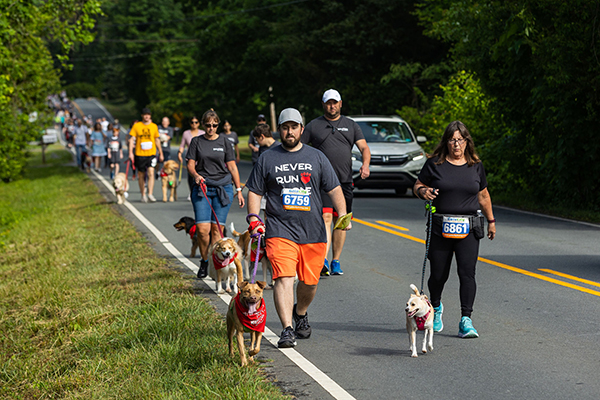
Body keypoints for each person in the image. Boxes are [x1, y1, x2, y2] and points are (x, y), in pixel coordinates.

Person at [246, 108, 351, 348]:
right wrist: (253, 217)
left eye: (294, 127)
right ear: (279, 130)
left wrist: (343, 216)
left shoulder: (317, 157)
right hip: (279, 229)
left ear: (302, 130)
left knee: (310, 283)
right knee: (283, 277)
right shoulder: (267, 158)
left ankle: (300, 312)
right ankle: (286, 329)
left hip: (312, 232)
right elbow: (255, 191)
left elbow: (334, 188)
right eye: (285, 127)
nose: (289, 131)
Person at [413, 120, 496, 339]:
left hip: (468, 228)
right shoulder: (435, 164)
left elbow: (483, 195)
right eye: (452, 140)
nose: (456, 144)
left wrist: (491, 221)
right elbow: (418, 185)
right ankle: (437, 307)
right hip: (440, 226)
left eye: (460, 140)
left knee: (467, 273)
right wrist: (424, 192)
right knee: (439, 274)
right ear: (446, 142)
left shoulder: (475, 166)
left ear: (467, 142)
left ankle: (466, 320)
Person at [301, 89, 371, 276]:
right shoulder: (314, 126)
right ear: (323, 104)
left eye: (335, 102)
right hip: (321, 182)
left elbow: (364, 147)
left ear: (341, 103)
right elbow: (300, 147)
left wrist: (365, 165)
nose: (332, 106)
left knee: (341, 221)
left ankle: (336, 261)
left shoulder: (351, 125)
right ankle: (323, 259)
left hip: (345, 181)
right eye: (328, 103)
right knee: (325, 217)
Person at [186, 109, 245, 279]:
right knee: (203, 231)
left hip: (223, 188)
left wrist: (239, 190)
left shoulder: (225, 142)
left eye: (214, 125)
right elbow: (190, 165)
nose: (211, 128)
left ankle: (216, 266)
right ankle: (205, 260)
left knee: (216, 230)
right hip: (203, 188)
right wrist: (196, 175)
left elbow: (232, 166)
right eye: (208, 125)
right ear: (203, 125)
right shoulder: (197, 142)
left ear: (218, 125)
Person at [128, 108, 164, 203]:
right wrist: (130, 153)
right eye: (145, 115)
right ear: (142, 116)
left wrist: (160, 152)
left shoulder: (154, 126)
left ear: (150, 116)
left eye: (148, 114)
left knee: (151, 172)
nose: (146, 116)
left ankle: (150, 194)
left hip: (151, 153)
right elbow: (132, 139)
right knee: (141, 174)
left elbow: (157, 139)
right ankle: (143, 194)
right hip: (140, 154)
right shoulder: (137, 126)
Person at [178, 116, 205, 201]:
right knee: (191, 177)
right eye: (192, 122)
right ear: (190, 124)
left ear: (199, 123)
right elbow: (182, 145)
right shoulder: (186, 133)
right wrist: (179, 153)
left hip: (201, 159)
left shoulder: (202, 133)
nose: (194, 124)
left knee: (201, 175)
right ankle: (192, 192)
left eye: (196, 122)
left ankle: (202, 191)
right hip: (190, 158)